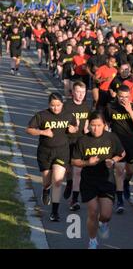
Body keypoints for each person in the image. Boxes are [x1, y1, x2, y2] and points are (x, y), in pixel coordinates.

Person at [71, 111, 125, 249]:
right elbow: (74, 161)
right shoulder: (82, 140)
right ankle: (92, 240)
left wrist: (113, 161)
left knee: (106, 214)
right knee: (93, 211)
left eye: (99, 125)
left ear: (105, 125)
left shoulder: (111, 138)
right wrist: (87, 163)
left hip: (106, 180)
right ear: (88, 125)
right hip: (89, 181)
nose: (96, 128)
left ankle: (103, 223)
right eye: (93, 125)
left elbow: (122, 153)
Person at [26, 93, 78, 221]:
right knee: (47, 180)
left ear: (62, 104)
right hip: (45, 152)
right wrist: (43, 132)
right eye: (52, 105)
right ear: (49, 105)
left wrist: (74, 129)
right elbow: (29, 129)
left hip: (62, 151)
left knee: (58, 180)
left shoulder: (68, 115)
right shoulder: (42, 115)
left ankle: (54, 212)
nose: (55, 108)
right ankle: (45, 189)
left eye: (58, 105)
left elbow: (75, 126)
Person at [105, 85, 133, 213]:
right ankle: (120, 200)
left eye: (126, 97)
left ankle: (126, 183)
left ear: (130, 97)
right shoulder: (110, 107)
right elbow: (106, 124)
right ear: (117, 95)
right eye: (121, 96)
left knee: (130, 171)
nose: (123, 99)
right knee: (120, 171)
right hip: (117, 144)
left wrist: (129, 111)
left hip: (131, 143)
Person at [63, 82, 91, 211]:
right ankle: (69, 183)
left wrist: (88, 129)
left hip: (81, 142)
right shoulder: (67, 106)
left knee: (78, 171)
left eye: (83, 92)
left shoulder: (87, 106)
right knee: (68, 170)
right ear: (73, 92)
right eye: (78, 92)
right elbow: (61, 123)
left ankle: (74, 200)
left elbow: (89, 122)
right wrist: (70, 128)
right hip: (67, 141)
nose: (80, 95)